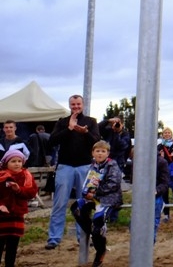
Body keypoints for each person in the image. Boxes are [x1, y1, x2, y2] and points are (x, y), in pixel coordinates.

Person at [46, 94, 101, 250]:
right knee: (59, 203)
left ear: (83, 105)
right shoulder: (62, 122)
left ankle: (83, 236)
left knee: (84, 203)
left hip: (85, 166)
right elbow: (52, 141)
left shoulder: (91, 121)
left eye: (78, 104)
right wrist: (69, 129)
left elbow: (97, 142)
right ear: (69, 105)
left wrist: (85, 133)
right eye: (73, 104)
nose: (76, 107)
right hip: (65, 166)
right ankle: (54, 238)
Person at [70, 140, 122, 267]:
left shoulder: (112, 165)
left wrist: (96, 193)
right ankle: (93, 233)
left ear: (107, 153)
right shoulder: (93, 165)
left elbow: (114, 184)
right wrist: (85, 191)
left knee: (98, 221)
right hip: (92, 196)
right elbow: (89, 181)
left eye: (103, 151)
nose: (100, 154)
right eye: (97, 151)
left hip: (108, 198)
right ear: (93, 152)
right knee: (76, 208)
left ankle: (100, 252)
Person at [0, 150, 38, 267]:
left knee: (13, 245)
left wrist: (18, 189)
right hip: (2, 215)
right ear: (6, 163)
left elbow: (31, 192)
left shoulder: (27, 176)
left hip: (17, 215)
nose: (17, 164)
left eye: (19, 161)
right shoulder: (1, 176)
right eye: (13, 161)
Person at [153, 150, 170, 243]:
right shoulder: (138, 159)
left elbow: (165, 182)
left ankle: (148, 249)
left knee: (152, 224)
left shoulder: (161, 161)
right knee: (135, 224)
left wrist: (156, 190)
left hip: (155, 196)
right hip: (141, 197)